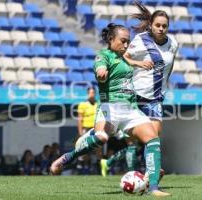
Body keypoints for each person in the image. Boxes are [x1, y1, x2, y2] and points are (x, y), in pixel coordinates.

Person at [50, 23, 170, 197]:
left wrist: (140, 63)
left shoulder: (123, 58)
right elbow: (101, 67)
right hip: (109, 108)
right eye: (123, 41)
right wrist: (101, 72)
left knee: (153, 138)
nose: (126, 45)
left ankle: (153, 188)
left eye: (128, 41)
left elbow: (127, 61)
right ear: (111, 39)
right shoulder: (103, 55)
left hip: (130, 110)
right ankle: (68, 157)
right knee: (102, 137)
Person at [100, 1, 178, 179]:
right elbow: (124, 58)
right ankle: (118, 164)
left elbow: (170, 65)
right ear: (151, 25)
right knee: (133, 142)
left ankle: (148, 174)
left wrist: (165, 83)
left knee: (153, 137)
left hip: (155, 98)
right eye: (157, 25)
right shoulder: (140, 40)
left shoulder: (173, 43)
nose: (161, 29)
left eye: (164, 26)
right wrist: (139, 63)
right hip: (135, 96)